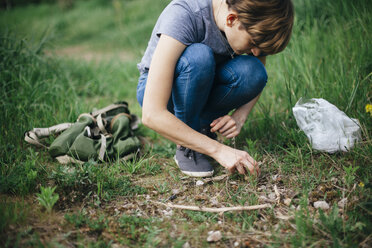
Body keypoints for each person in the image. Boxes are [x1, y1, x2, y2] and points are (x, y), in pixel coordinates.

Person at [136, 0, 294, 177]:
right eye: (253, 43)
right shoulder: (184, 15)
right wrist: (219, 150)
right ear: (232, 19)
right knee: (199, 57)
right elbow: (152, 114)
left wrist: (240, 117)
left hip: (202, 90)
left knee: (254, 70)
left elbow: (257, 70)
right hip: (162, 94)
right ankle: (188, 144)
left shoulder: (251, 24)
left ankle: (202, 129)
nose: (256, 52)